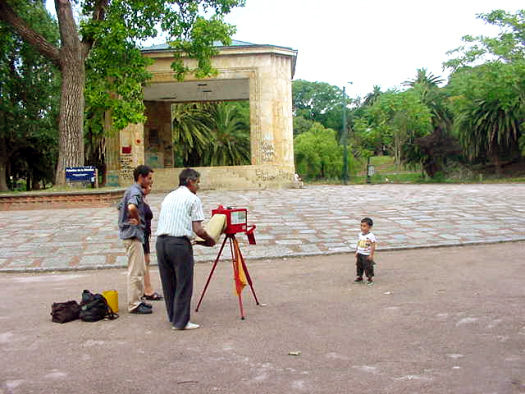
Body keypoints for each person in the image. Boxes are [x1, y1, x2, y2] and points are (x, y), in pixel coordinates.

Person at [155, 168, 216, 330]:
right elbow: (198, 229)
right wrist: (211, 239)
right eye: (197, 182)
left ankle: (173, 316)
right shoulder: (193, 199)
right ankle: (181, 322)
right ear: (190, 181)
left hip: (161, 242)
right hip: (179, 244)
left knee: (168, 283)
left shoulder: (169, 196)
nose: (198, 186)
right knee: (184, 282)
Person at [118, 165, 154, 314]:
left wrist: (124, 221)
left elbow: (120, 207)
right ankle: (134, 304)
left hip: (131, 234)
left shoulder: (133, 191)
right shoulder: (135, 192)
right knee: (136, 271)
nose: (151, 182)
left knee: (140, 268)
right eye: (149, 178)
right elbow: (131, 206)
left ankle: (138, 299)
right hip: (133, 235)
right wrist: (136, 219)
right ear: (141, 177)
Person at [141, 183, 163, 301]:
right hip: (140, 234)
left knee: (146, 260)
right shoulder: (136, 197)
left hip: (145, 234)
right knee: (143, 262)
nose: (150, 188)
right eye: (148, 185)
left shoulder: (144, 199)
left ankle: (146, 288)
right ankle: (147, 289)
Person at [354, 217, 377, 285]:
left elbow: (373, 245)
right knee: (359, 265)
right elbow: (358, 243)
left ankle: (369, 278)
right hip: (360, 253)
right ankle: (360, 276)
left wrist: (371, 255)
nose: (362, 227)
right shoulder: (360, 234)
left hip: (366, 254)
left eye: (364, 226)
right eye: (361, 225)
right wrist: (357, 251)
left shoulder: (371, 236)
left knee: (368, 267)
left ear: (369, 227)